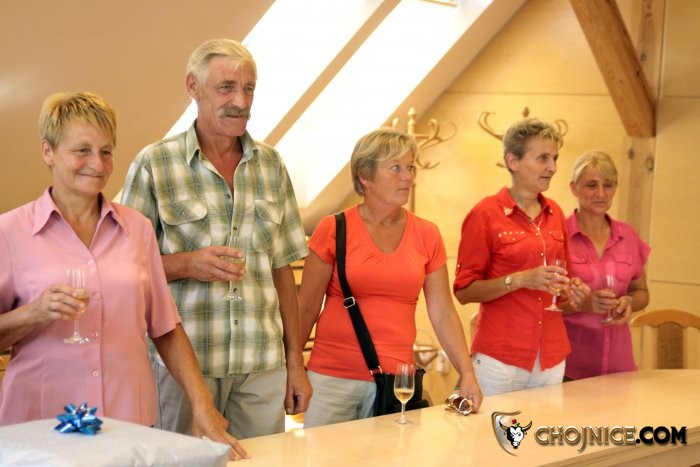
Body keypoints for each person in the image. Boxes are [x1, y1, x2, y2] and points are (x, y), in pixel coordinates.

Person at [0, 91, 247, 460]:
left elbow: (166, 328)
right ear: (48, 151)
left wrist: (202, 404)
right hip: (40, 426)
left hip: (127, 422)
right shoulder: (9, 232)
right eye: (82, 150)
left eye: (106, 151)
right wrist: (34, 313)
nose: (97, 164)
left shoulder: (138, 229)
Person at [120, 38, 310, 440]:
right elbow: (123, 267)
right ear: (193, 86)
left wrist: (295, 362)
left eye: (249, 88)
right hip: (183, 369)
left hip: (262, 366)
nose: (241, 101)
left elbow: (282, 271)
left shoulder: (272, 165)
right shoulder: (154, 164)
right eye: (227, 87)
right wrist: (187, 264)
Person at [299, 128, 482, 428]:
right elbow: (305, 308)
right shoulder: (333, 228)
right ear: (365, 176)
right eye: (395, 168)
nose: (408, 177)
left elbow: (443, 312)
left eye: (410, 167)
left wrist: (467, 373)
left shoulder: (427, 234)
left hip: (396, 384)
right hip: (331, 380)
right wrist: (293, 367)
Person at [453, 117, 589, 397]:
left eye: (554, 158)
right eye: (542, 158)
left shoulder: (555, 212)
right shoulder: (485, 214)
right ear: (513, 161)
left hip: (551, 357)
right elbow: (464, 291)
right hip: (500, 359)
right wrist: (519, 280)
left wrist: (574, 292)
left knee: (544, 428)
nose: (552, 167)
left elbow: (563, 290)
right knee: (495, 428)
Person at [563, 150, 650, 380]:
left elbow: (641, 293)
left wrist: (629, 302)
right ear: (574, 188)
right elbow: (541, 306)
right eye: (592, 185)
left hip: (620, 367)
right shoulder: (557, 235)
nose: (601, 194)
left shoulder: (628, 235)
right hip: (570, 368)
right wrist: (581, 305)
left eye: (608, 185)